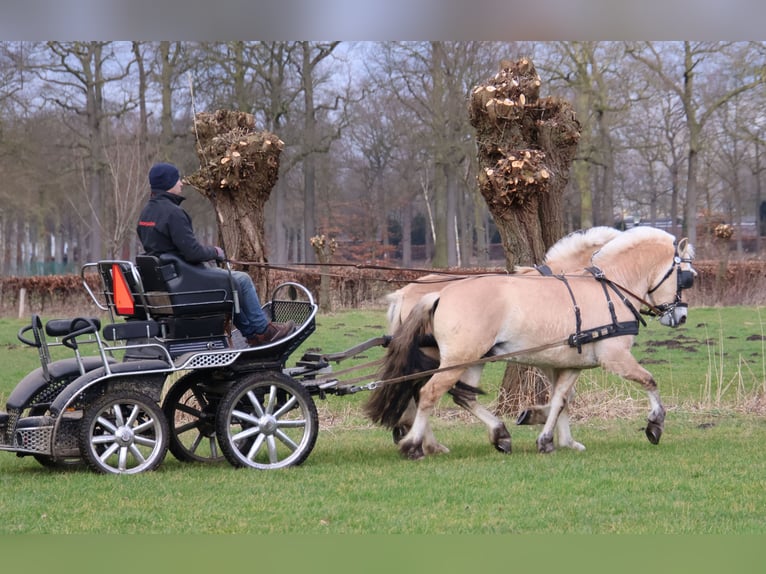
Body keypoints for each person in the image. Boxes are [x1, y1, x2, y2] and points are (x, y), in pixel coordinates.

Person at [136, 162, 295, 346]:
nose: (181, 183)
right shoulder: (174, 214)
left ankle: (252, 334)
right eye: (178, 179)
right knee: (241, 280)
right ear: (169, 183)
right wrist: (215, 252)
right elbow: (192, 252)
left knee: (229, 287)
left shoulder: (146, 213)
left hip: (170, 281)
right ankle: (262, 330)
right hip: (184, 283)